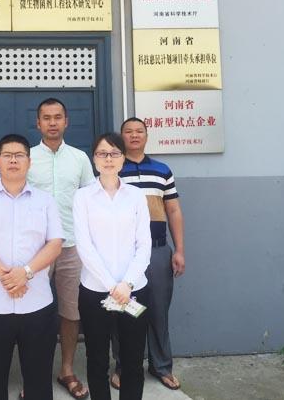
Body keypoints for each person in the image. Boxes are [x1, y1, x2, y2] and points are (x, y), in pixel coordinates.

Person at [0, 134, 64, 400]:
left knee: (39, 381)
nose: (13, 160)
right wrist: (8, 277)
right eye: (7, 155)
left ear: (29, 162)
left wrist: (25, 273)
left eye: (19, 155)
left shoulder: (45, 200)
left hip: (37, 304)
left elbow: (55, 244)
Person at [73, 132, 151, 400]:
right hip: (95, 290)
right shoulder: (82, 197)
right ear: (94, 159)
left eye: (115, 153)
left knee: (132, 360)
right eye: (102, 153)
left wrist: (126, 284)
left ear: (123, 158)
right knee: (96, 359)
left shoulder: (136, 196)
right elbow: (84, 246)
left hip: (134, 290)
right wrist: (111, 286)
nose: (108, 159)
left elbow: (144, 244)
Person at [27, 98, 93, 399]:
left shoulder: (80, 158)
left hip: (71, 246)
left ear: (66, 121)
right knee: (33, 313)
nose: (52, 123)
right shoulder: (26, 157)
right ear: (38, 123)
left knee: (71, 311)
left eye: (57, 117)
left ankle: (66, 369)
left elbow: (89, 202)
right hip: (35, 249)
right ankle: (34, 377)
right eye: (46, 118)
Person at [117, 117, 186, 391]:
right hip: (123, 253)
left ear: (146, 136)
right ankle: (123, 366)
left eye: (139, 131)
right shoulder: (113, 169)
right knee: (123, 309)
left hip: (157, 250)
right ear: (121, 136)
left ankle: (161, 366)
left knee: (158, 310)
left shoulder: (162, 170)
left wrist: (179, 250)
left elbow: (173, 210)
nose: (134, 136)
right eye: (128, 131)